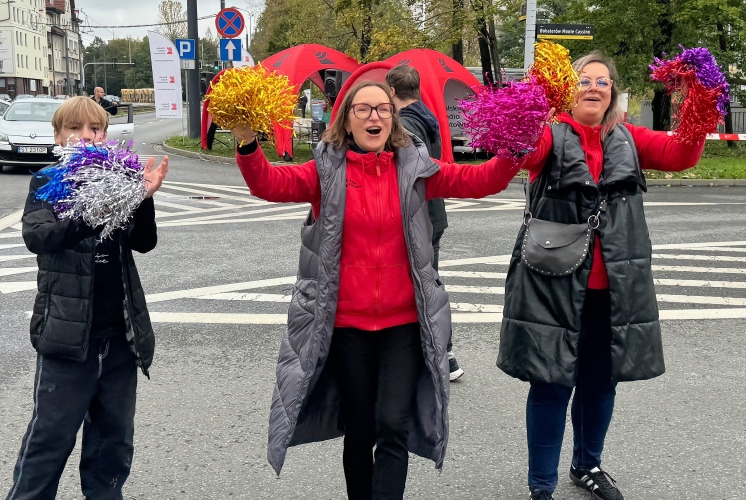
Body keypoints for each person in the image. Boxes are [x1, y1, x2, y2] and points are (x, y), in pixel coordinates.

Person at [230, 80, 524, 499]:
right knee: (360, 428)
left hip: (403, 324)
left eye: (383, 109)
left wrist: (514, 145)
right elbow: (269, 184)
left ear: (393, 118)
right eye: (364, 109)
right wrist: (246, 143)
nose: (375, 117)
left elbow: (480, 180)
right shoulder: (325, 171)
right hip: (346, 326)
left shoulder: (416, 169)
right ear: (346, 120)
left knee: (392, 424)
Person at [496, 52, 706, 500]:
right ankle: (541, 486)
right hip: (550, 284)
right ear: (567, 90)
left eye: (602, 82)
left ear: (612, 92)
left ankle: (587, 465)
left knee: (600, 383)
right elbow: (522, 151)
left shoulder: (630, 137)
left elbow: (682, 154)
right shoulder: (549, 134)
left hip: (614, 288)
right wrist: (533, 102)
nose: (593, 88)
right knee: (551, 383)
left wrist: (700, 104)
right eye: (584, 80)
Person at [6, 96, 168, 500]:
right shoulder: (47, 182)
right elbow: (39, 237)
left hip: (120, 337)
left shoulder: (120, 177)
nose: (85, 136)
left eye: (95, 129)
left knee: (113, 442)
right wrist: (92, 214)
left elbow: (144, 242)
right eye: (74, 129)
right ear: (58, 137)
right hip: (67, 337)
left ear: (105, 135)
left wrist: (143, 199)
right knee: (50, 440)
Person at [385, 64, 464, 381]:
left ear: (392, 91)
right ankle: (443, 354)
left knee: (419, 287)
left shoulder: (405, 125)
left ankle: (441, 355)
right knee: (429, 283)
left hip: (415, 217)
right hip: (433, 213)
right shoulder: (429, 117)